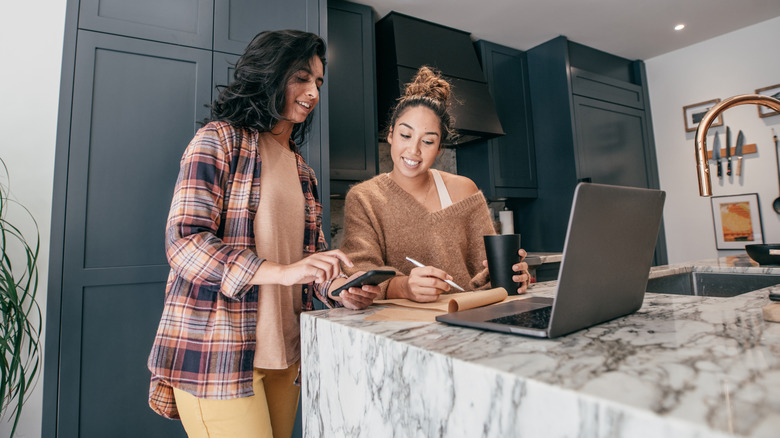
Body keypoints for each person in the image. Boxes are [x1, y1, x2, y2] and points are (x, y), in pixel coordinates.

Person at [147, 30, 378, 438]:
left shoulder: (301, 170)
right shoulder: (219, 140)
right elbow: (184, 243)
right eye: (301, 77)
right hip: (218, 354)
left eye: (319, 83)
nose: (313, 92)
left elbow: (311, 261)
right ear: (270, 75)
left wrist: (341, 288)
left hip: (285, 354)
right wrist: (283, 271)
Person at [338, 66, 530, 303]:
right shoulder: (364, 197)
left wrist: (512, 275)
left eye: (428, 141)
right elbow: (360, 270)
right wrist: (404, 286)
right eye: (405, 135)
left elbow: (486, 270)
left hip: (468, 318)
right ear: (390, 135)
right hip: (400, 328)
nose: (414, 150)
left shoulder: (464, 190)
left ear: (439, 149)